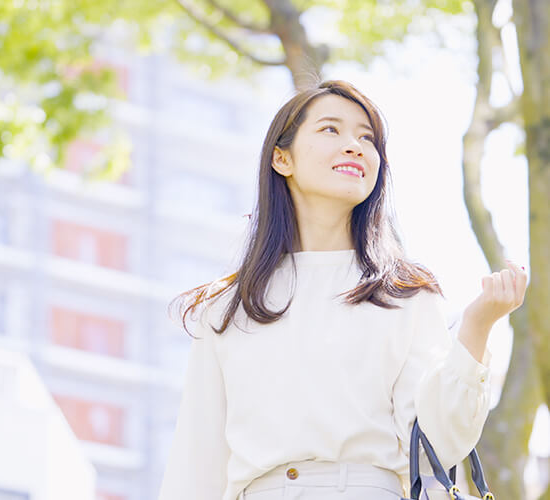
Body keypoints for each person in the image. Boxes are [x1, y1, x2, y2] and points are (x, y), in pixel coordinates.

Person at [157, 80, 527, 500]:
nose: (354, 146)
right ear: (282, 158)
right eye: (331, 129)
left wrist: (477, 326)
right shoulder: (228, 308)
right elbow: (196, 466)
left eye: (367, 138)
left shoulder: (404, 294)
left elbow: (437, 446)